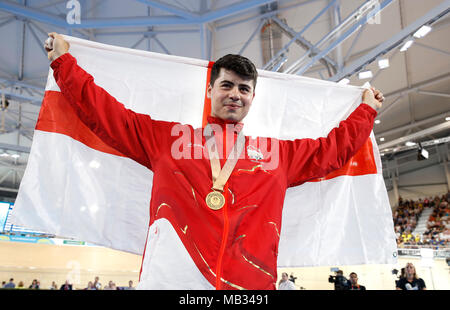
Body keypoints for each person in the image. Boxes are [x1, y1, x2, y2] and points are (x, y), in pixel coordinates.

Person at [44, 33, 384, 290]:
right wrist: (64, 65)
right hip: (175, 281)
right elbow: (106, 114)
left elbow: (333, 149)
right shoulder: (168, 139)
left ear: (252, 98)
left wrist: (366, 110)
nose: (235, 94)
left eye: (243, 88)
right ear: (210, 91)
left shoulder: (275, 155)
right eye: (226, 85)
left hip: (249, 288)